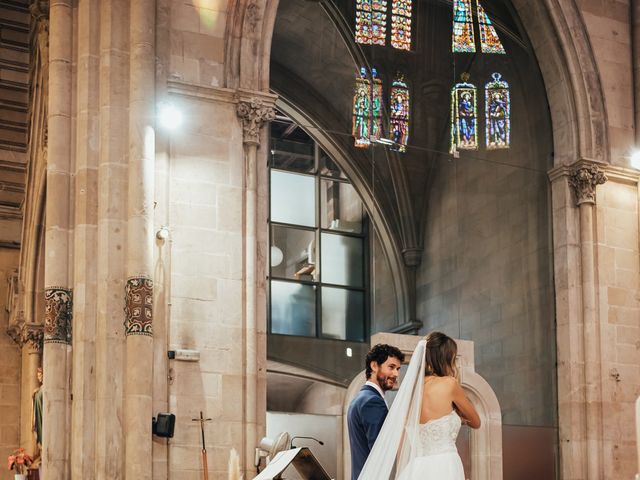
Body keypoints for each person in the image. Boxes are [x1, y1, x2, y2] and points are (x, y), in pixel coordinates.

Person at [357, 332, 481, 480]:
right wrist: (457, 414)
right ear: (446, 358)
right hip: (445, 465)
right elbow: (476, 422)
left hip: (417, 466)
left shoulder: (411, 392)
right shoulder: (449, 384)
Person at [347, 344, 405, 480]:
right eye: (391, 367)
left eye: (398, 369)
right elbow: (380, 453)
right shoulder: (372, 402)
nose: (396, 374)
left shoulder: (360, 398)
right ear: (374, 366)